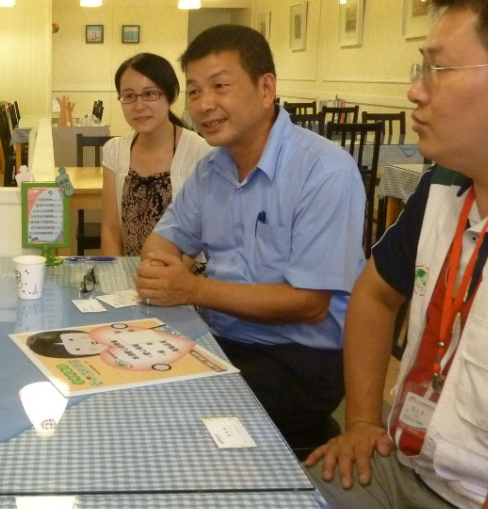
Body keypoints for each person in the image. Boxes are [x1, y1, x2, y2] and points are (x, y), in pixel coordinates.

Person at [305, 0, 488, 506]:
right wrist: (363, 421)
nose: (415, 90)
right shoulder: (444, 184)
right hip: (404, 461)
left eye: (439, 70)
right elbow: (375, 292)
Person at [134, 24, 366, 455]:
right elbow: (163, 240)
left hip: (298, 357)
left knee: (167, 415)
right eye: (195, 91)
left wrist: (191, 288)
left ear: (266, 89)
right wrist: (163, 268)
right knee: (129, 379)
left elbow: (309, 303)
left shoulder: (324, 170)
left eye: (220, 86)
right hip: (222, 340)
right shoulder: (211, 169)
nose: (204, 104)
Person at [101, 53, 211, 256]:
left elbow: (203, 235)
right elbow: (111, 228)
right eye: (129, 96)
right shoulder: (114, 150)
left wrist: (168, 274)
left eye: (150, 94)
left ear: (172, 94)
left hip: (183, 271)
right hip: (128, 272)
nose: (139, 106)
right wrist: (112, 273)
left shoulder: (200, 152)